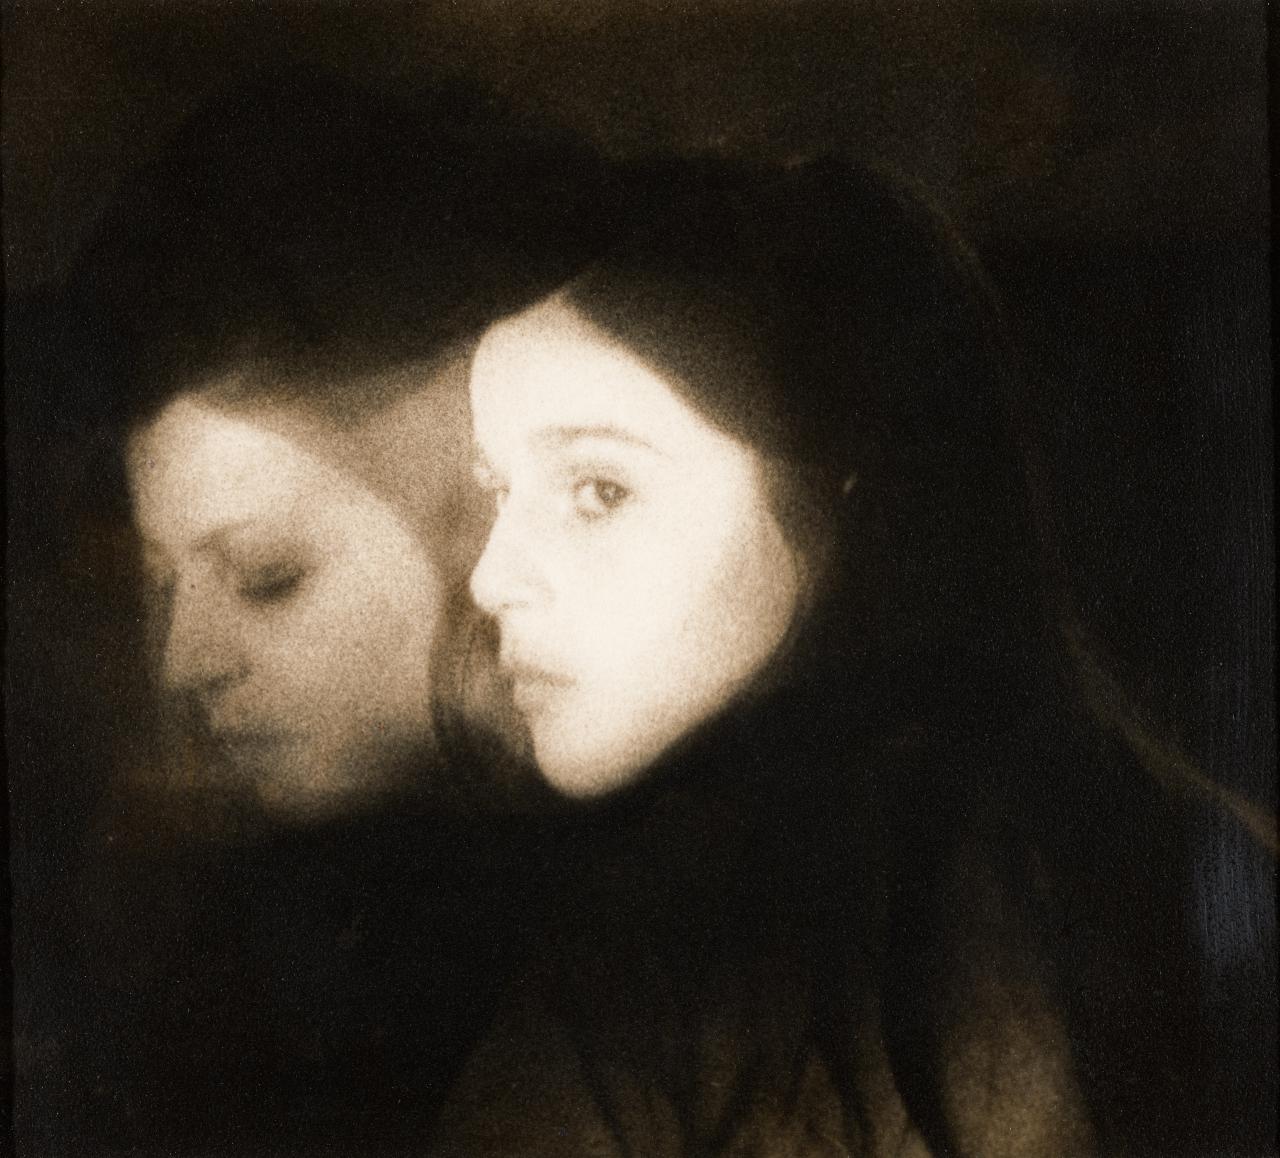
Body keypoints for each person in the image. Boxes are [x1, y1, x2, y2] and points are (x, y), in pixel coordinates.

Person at [432, 158, 1103, 1155]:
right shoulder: (1155, 850)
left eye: (596, 492)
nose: (491, 580)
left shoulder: (669, 947)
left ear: (842, 506)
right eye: (497, 490)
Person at [16, 67, 604, 1154]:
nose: (182, 665)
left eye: (266, 574)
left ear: (483, 516)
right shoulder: (254, 938)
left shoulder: (644, 945)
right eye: (158, 589)